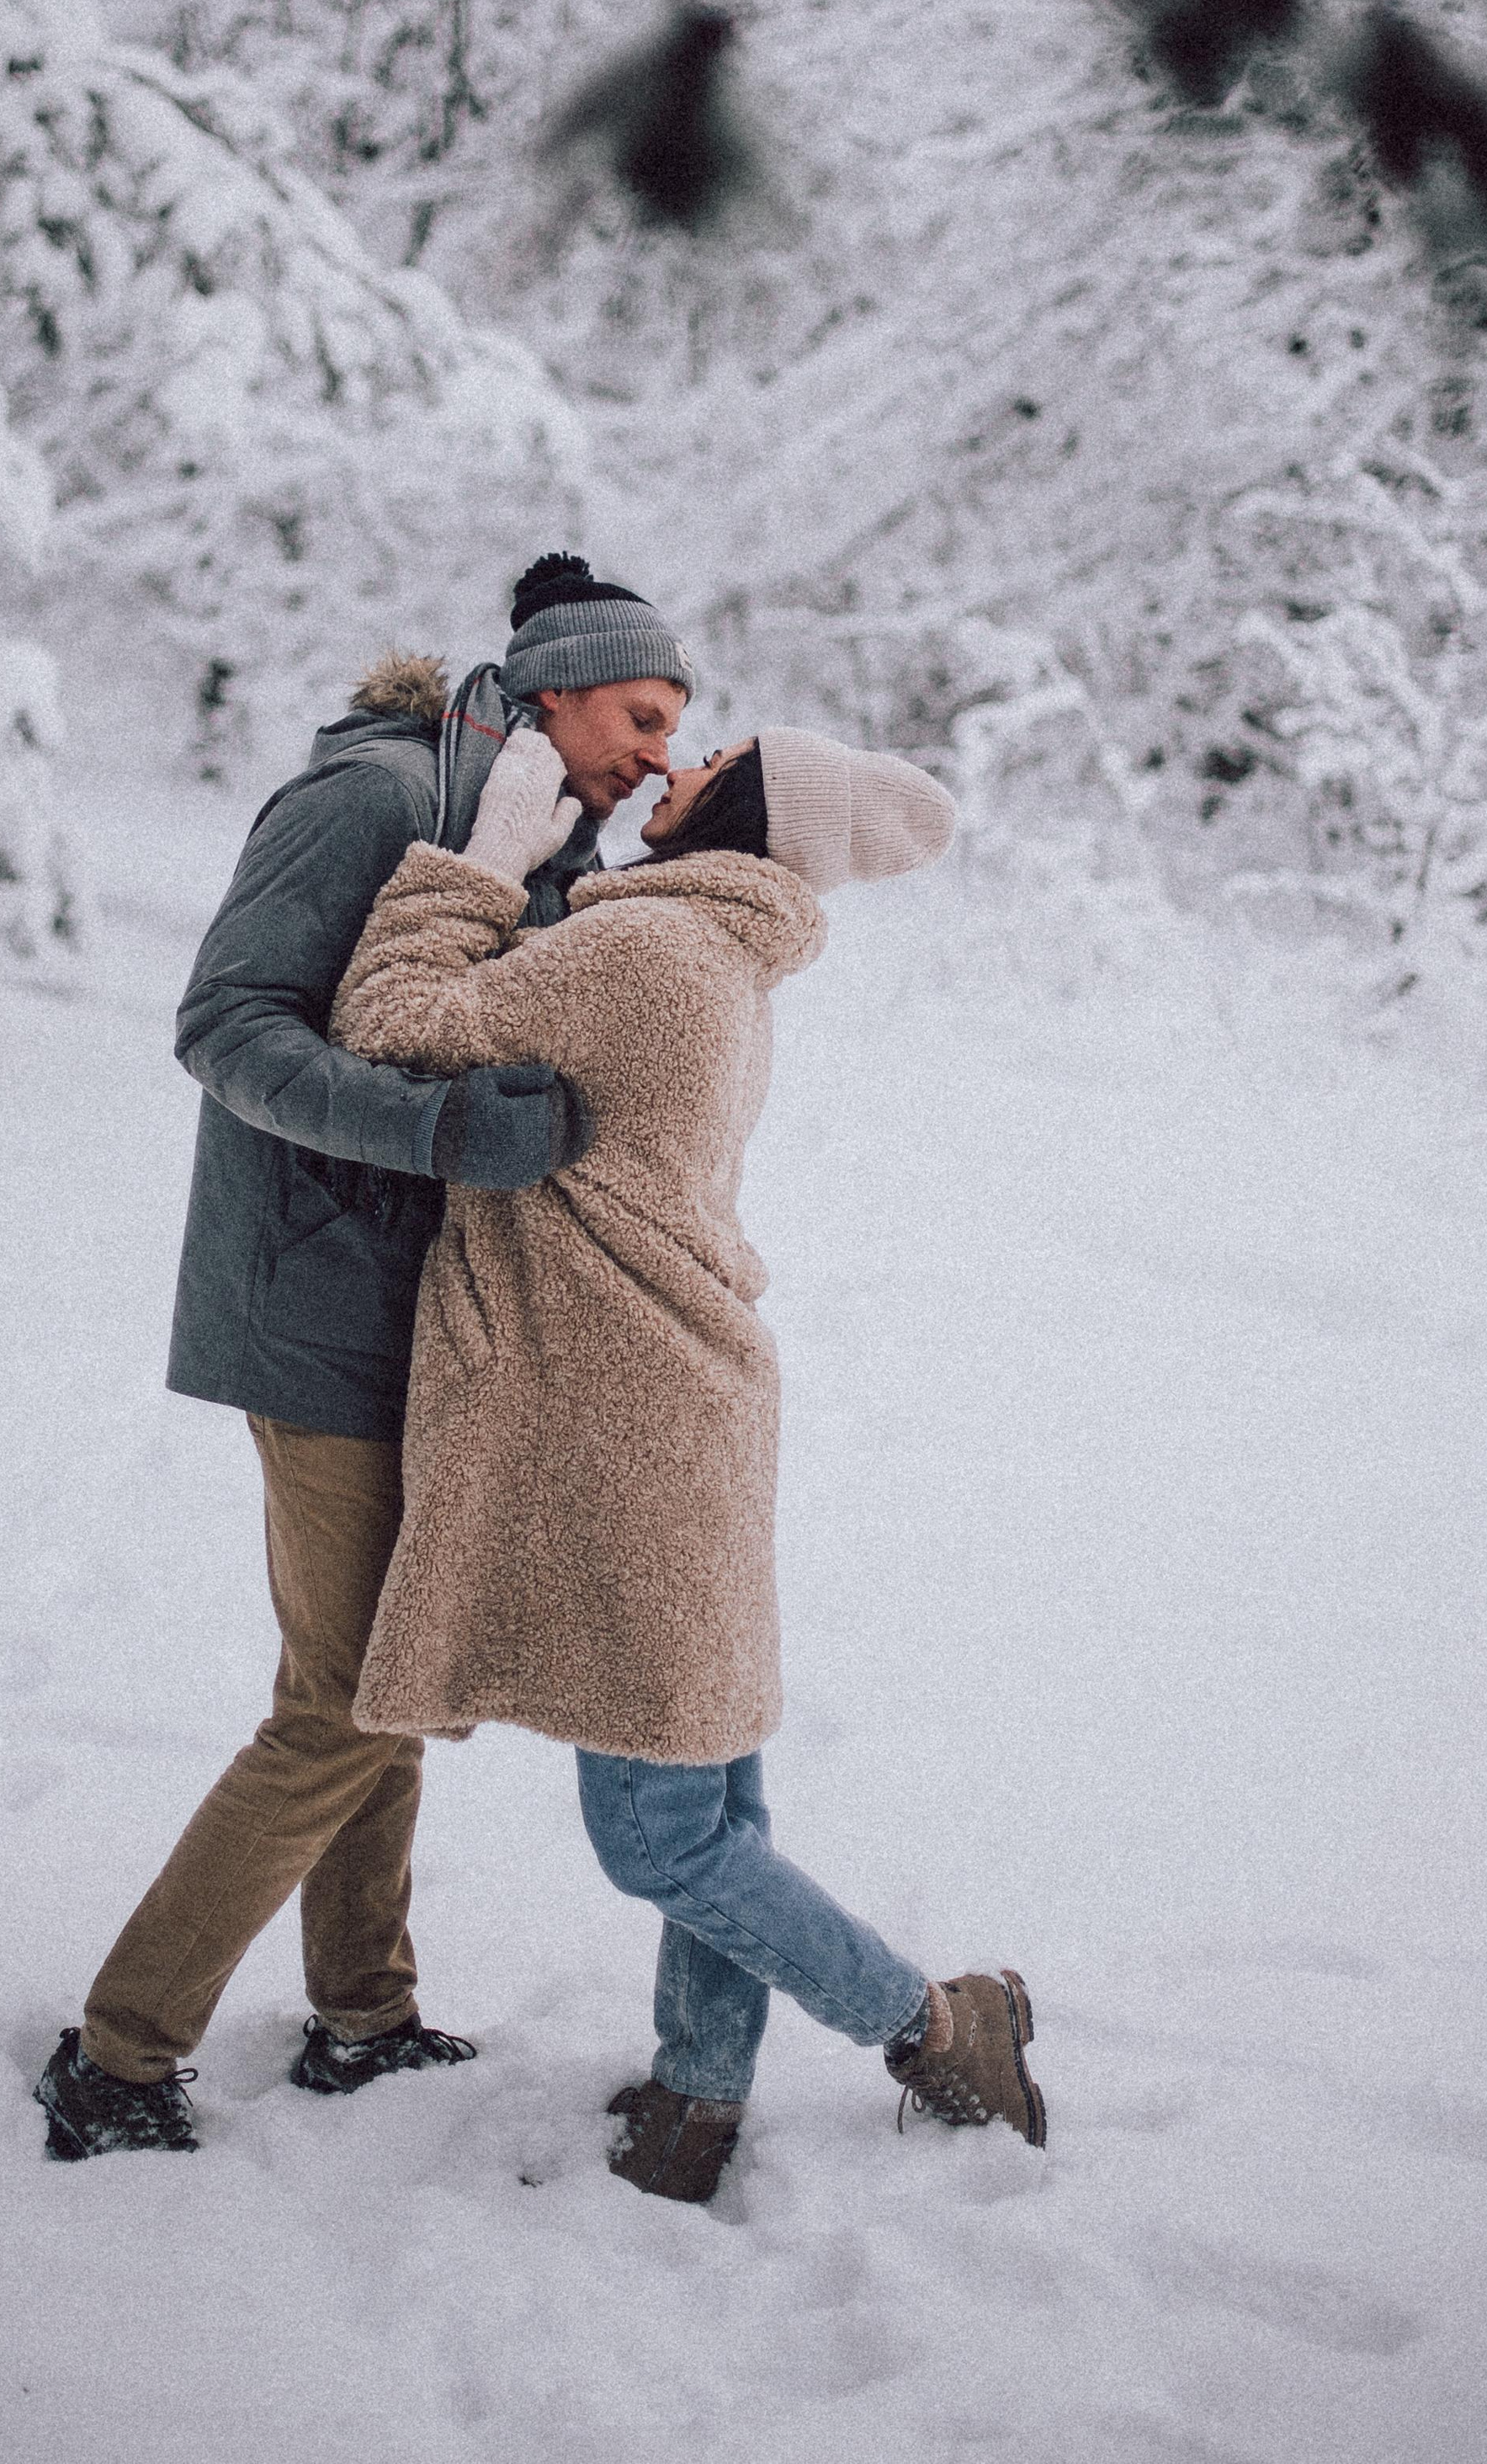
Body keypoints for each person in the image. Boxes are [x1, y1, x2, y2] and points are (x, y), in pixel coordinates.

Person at [326, 721, 1046, 2206]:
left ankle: (939, 2026)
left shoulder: (643, 960)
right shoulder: (702, 954)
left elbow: (386, 1018)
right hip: (673, 1411)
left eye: (708, 755)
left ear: (751, 806)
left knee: (658, 1838)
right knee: (713, 1804)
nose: (672, 764)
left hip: (627, 1429)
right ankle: (698, 2097)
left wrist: (479, 860)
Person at [34, 554, 696, 2158]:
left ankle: (363, 2014)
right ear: (554, 691)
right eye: (641, 714)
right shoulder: (375, 796)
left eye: (679, 729)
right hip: (310, 1303)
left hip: (416, 1321)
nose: (660, 754)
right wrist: (440, 1128)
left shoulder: (531, 833)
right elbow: (227, 1025)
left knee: (385, 1673)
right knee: (345, 1702)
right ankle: (118, 2056)